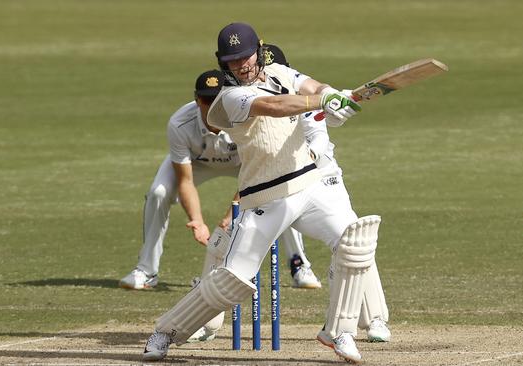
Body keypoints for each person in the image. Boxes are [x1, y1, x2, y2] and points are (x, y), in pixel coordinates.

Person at [142, 23, 384, 363]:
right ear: (223, 63)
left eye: (245, 56)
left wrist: (332, 95)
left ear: (259, 50)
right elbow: (276, 106)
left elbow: (309, 85)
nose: (241, 64)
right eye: (232, 60)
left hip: (309, 184)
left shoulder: (278, 71)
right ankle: (165, 332)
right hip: (264, 196)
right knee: (231, 283)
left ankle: (339, 331)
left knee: (354, 242)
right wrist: (321, 100)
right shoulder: (229, 98)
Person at [118, 69, 321, 291]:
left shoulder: (245, 114)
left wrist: (229, 217)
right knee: (159, 192)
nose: (211, 106)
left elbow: (261, 171)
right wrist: (197, 221)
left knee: (281, 186)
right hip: (198, 162)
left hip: (247, 163)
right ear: (197, 100)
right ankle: (146, 271)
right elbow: (185, 180)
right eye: (206, 99)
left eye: (217, 99)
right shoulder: (179, 123)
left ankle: (299, 266)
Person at [266, 44, 391, 343]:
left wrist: (335, 105)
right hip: (277, 186)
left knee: (353, 238)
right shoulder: (256, 100)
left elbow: (320, 136)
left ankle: (373, 319)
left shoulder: (303, 97)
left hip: (322, 179)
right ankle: (201, 322)